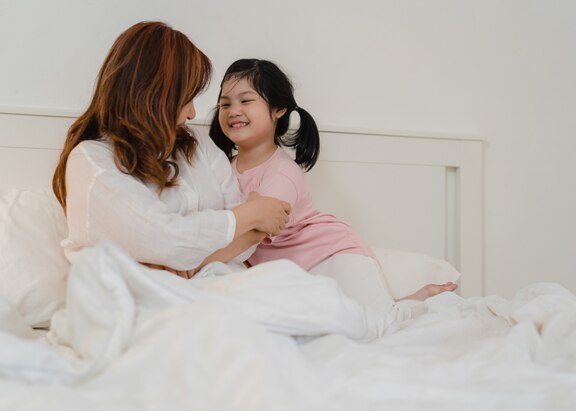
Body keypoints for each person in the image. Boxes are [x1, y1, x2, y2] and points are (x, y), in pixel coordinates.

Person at [209, 59, 457, 321]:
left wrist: (193, 264)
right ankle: (410, 301)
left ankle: (431, 298)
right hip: (293, 272)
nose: (233, 111)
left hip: (330, 254)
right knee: (349, 320)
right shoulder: (223, 168)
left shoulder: (281, 173)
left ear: (278, 108)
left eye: (246, 101)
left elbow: (251, 233)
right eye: (225, 104)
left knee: (381, 320)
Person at [52, 22, 291, 277]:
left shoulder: (197, 144)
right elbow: (161, 237)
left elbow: (248, 238)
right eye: (186, 99)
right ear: (153, 96)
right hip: (138, 302)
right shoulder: (91, 160)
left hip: (217, 287)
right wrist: (250, 213)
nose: (192, 113)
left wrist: (192, 260)